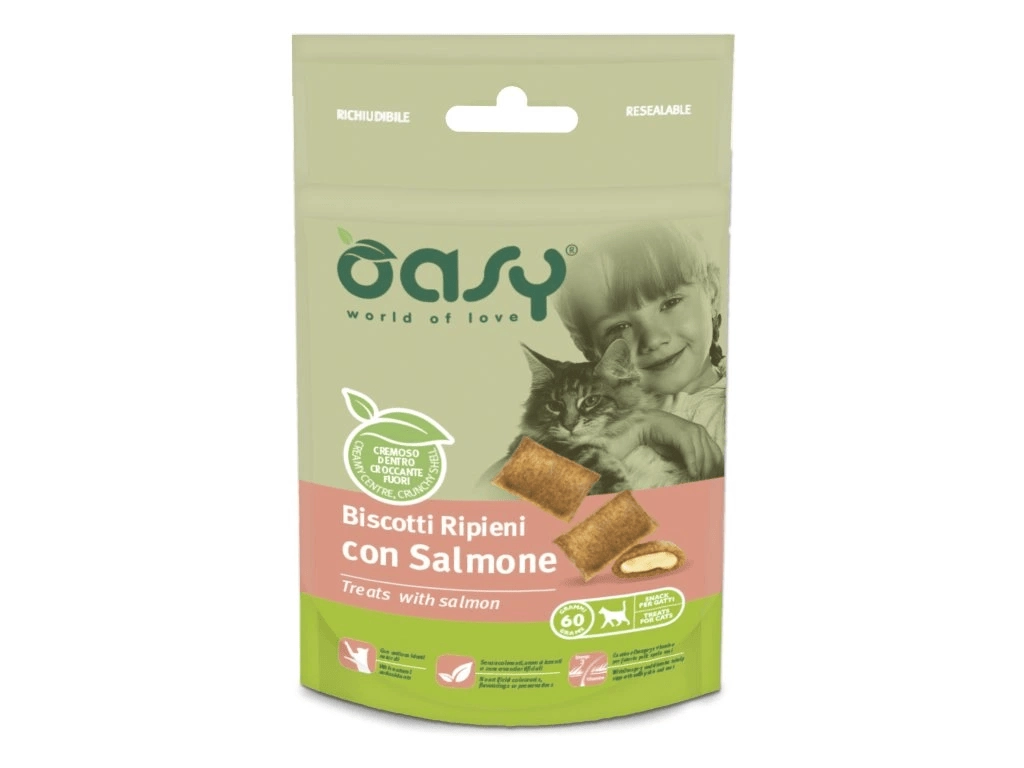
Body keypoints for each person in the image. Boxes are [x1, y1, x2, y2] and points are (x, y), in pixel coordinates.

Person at [552, 223, 726, 479]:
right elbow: (500, 489)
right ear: (589, 348)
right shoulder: (584, 424)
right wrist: (641, 428)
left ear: (712, 292)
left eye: (670, 303)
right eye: (620, 327)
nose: (653, 339)